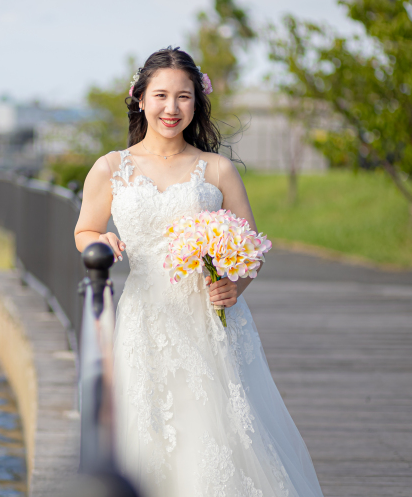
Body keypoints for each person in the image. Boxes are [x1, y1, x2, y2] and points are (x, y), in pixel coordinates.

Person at [73, 47, 324, 497]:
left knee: (213, 432)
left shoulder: (218, 169)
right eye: (161, 95)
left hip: (210, 322)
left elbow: (252, 248)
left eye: (184, 97)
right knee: (149, 432)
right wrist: (102, 242)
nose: (172, 108)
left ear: (197, 102)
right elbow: (86, 229)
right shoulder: (112, 168)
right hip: (144, 318)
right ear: (140, 99)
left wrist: (235, 284)